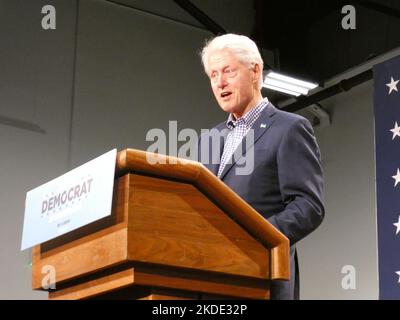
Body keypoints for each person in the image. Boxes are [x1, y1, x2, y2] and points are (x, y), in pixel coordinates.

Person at [197, 34, 325, 300]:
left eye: (228, 71)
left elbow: (308, 207)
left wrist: (254, 238)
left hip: (263, 279)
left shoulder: (289, 128)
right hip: (212, 282)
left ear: (255, 70)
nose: (219, 82)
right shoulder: (209, 139)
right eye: (213, 75)